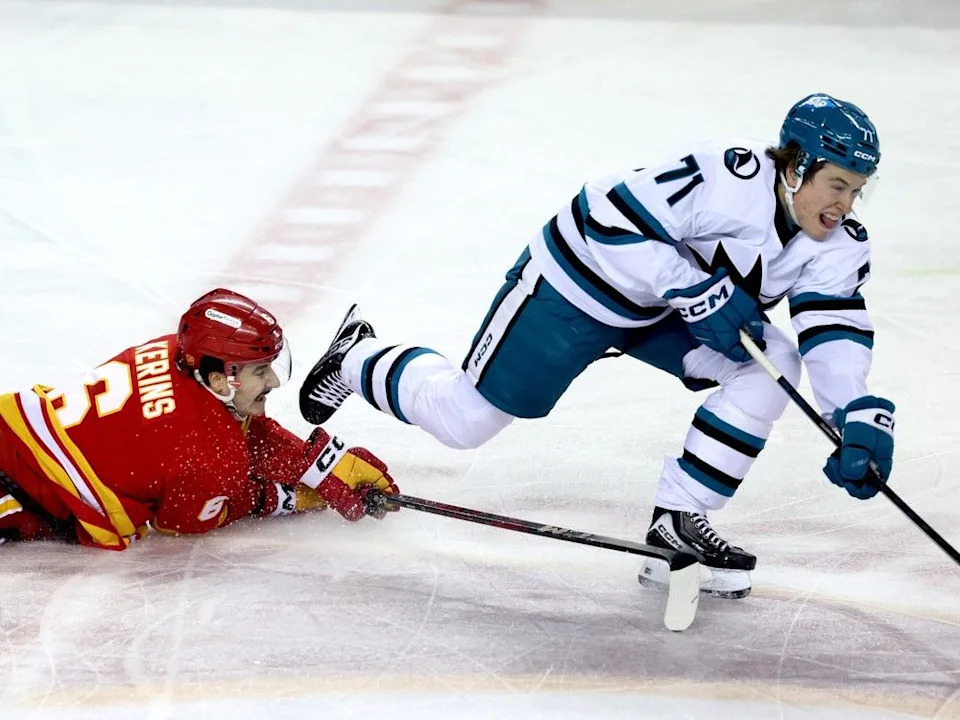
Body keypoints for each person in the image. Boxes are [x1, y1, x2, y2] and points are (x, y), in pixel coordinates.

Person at [298, 93, 896, 598]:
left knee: (772, 367)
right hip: (576, 291)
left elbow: (833, 326)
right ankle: (355, 357)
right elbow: (603, 215)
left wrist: (850, 415)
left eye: (856, 191)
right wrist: (692, 288)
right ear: (796, 169)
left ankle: (678, 521)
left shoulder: (839, 243)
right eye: (837, 184)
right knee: (465, 421)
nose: (844, 205)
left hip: (664, 312)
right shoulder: (726, 178)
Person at [0, 288, 399, 550]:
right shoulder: (206, 456)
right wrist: (286, 497)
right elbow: (182, 522)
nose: (274, 381)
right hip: (19, 492)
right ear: (218, 379)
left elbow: (233, 433)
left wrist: (316, 463)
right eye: (260, 370)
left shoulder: (177, 351)